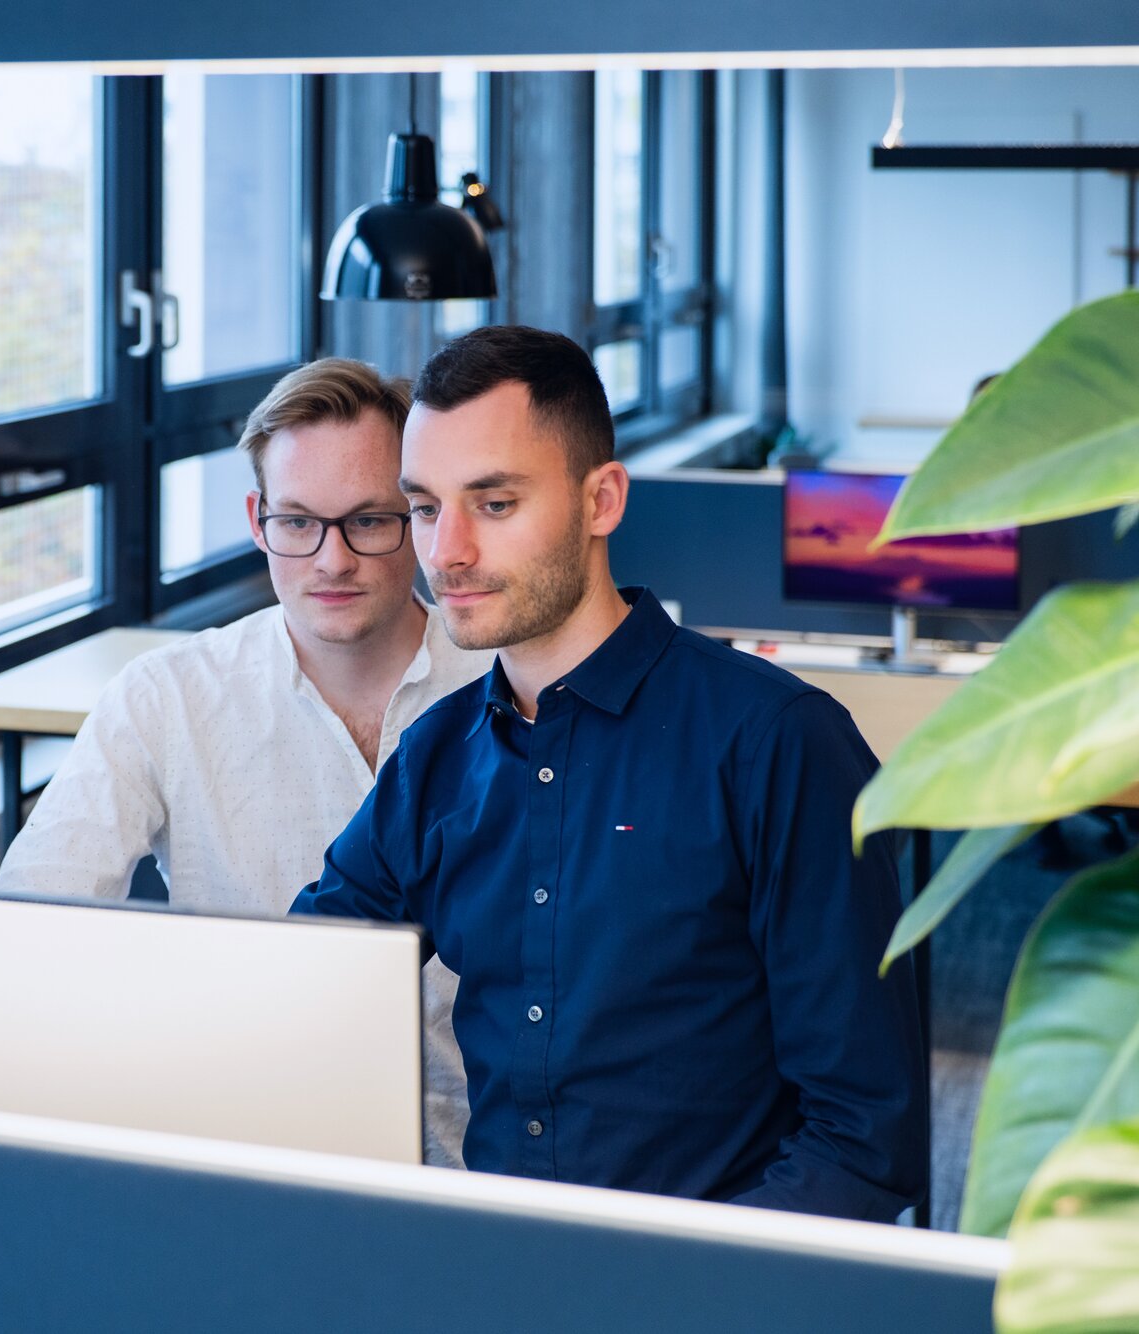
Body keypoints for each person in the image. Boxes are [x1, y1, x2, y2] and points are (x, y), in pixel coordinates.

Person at [293, 326, 927, 1219]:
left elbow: (866, 1138)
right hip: (505, 1271)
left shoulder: (778, 745)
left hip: (715, 1289)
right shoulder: (435, 764)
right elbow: (295, 984)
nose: (446, 553)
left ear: (602, 500)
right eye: (427, 508)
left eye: (496, 503)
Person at [0, 357, 494, 1167]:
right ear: (258, 518)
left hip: (488, 1161)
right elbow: (26, 928)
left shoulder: (508, 690)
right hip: (255, 1156)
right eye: (298, 522)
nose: (332, 561)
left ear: (422, 515)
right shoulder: (167, 699)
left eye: (369, 520)